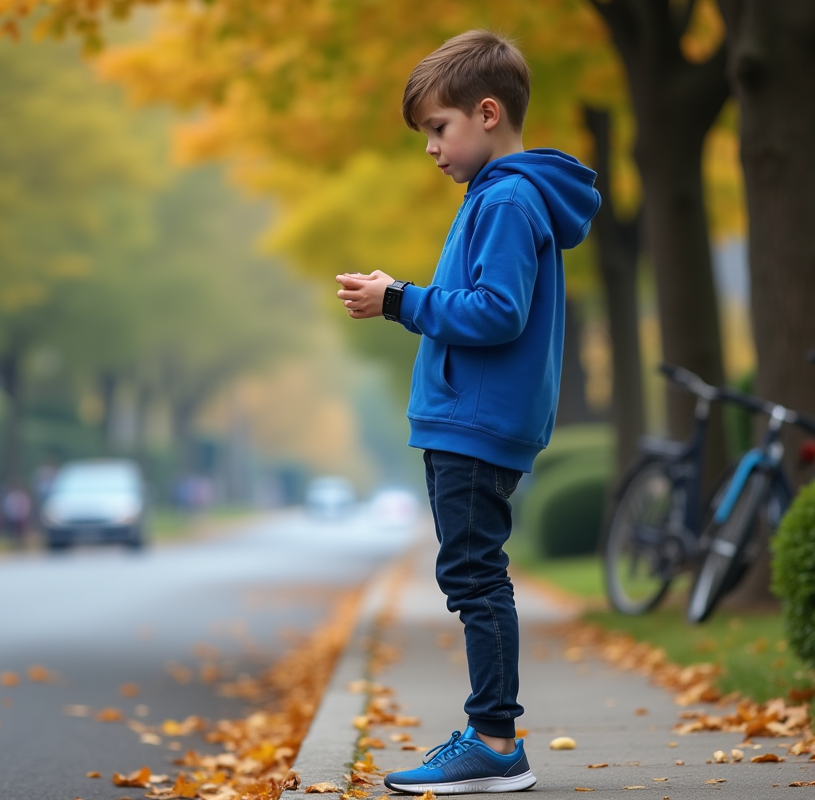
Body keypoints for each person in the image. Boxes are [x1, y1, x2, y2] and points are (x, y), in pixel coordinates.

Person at [335, 30, 600, 794]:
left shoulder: (510, 198)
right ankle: (491, 731)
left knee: (476, 577)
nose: (431, 149)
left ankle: (493, 739)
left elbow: (496, 313)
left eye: (437, 129)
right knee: (474, 573)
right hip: (473, 419)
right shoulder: (502, 195)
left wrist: (401, 301)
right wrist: (406, 297)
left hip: (476, 424)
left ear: (487, 114)